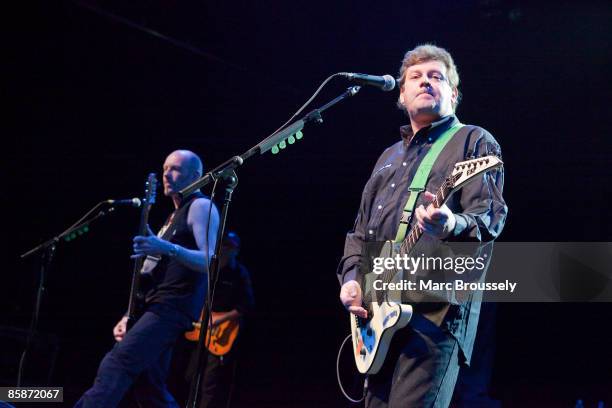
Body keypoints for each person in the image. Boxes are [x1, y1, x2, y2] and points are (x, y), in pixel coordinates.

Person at [337, 44, 507, 407]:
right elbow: (358, 232)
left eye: (436, 76)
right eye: (415, 77)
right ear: (401, 93)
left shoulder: (473, 141)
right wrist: (352, 279)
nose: (425, 82)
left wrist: (449, 222)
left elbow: (490, 217)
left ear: (453, 93)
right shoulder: (388, 158)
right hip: (377, 317)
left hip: (435, 315)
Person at [76, 149, 220, 407]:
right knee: (149, 387)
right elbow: (151, 274)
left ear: (195, 175)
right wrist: (128, 314)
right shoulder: (172, 217)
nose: (167, 174)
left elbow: (209, 260)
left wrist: (167, 248)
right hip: (155, 305)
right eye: (165, 168)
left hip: (172, 307)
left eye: (175, 169)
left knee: (117, 363)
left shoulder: (201, 206)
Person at [169, 231, 255, 408]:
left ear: (236, 251)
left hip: (221, 331)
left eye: (228, 248)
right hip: (199, 330)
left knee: (209, 381)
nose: (224, 250)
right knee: (189, 375)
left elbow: (246, 305)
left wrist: (218, 319)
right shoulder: (209, 269)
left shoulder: (239, 273)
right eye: (222, 246)